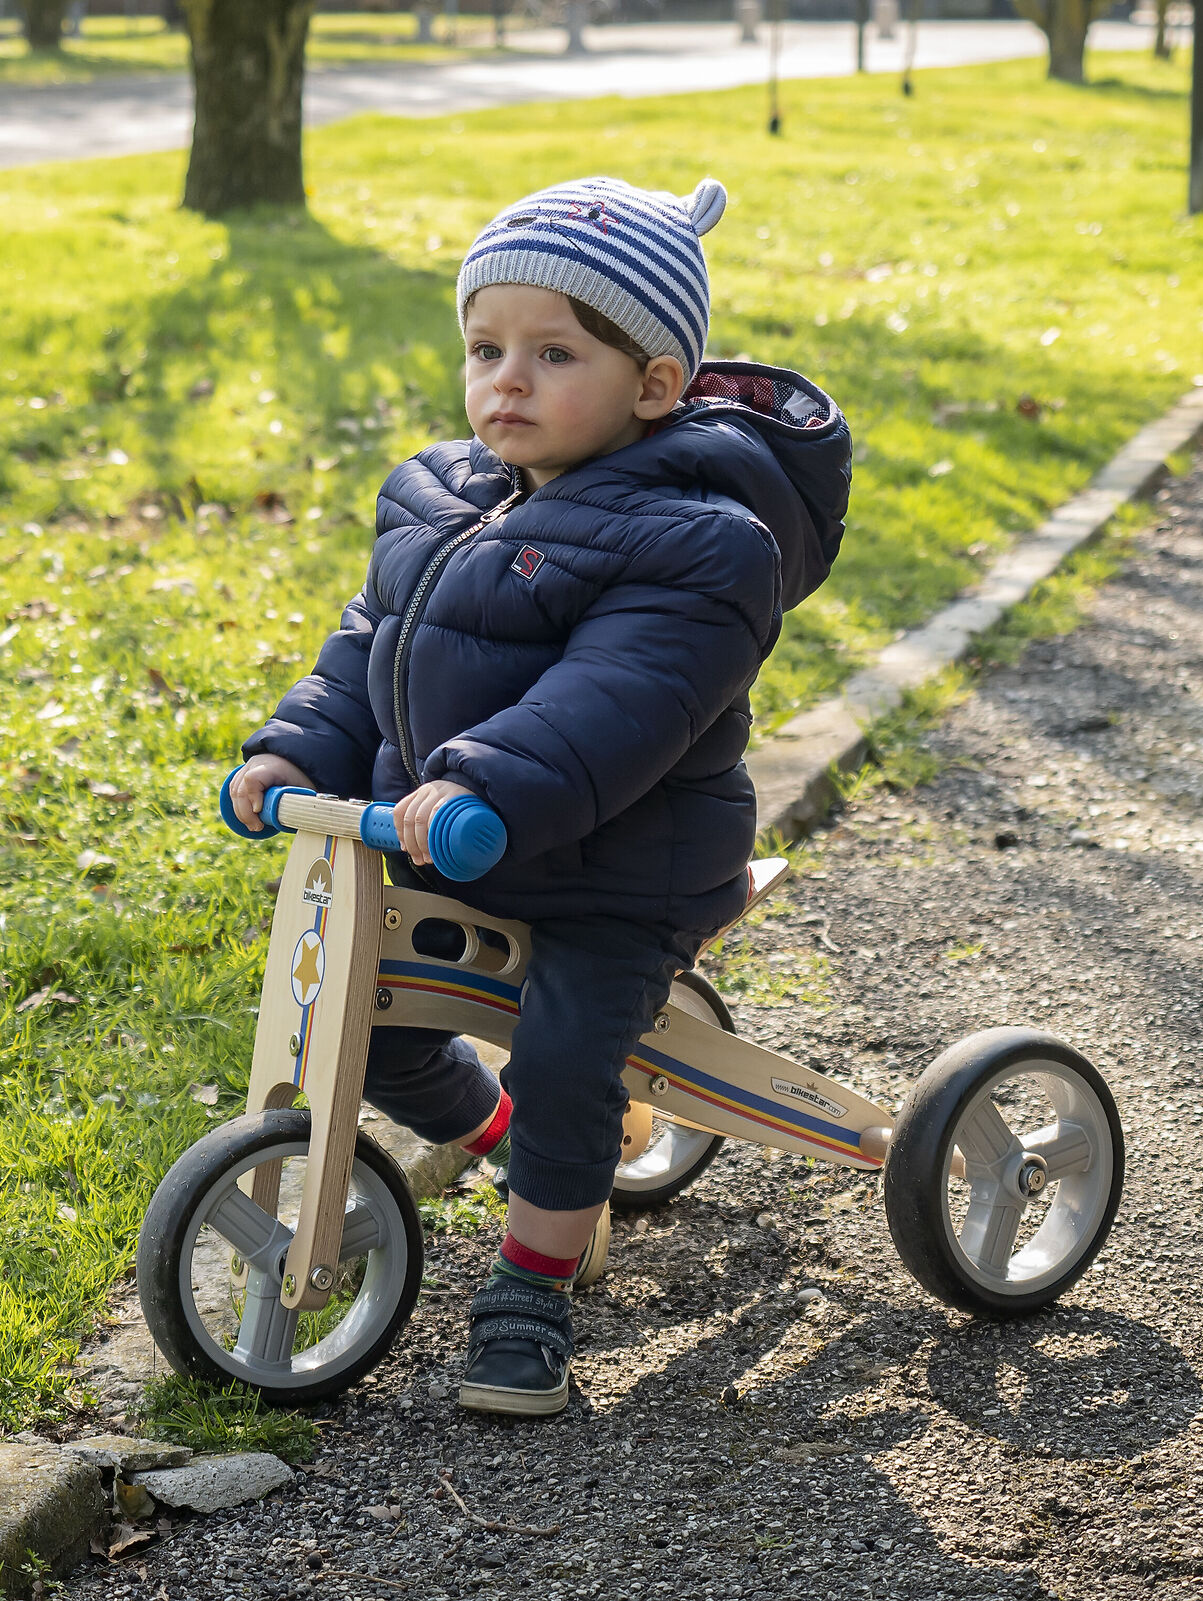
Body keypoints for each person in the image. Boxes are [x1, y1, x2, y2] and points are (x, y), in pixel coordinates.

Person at [230, 175, 850, 1417]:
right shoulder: (440, 497)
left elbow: (611, 704)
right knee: (370, 1022)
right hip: (460, 843)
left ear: (656, 385)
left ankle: (534, 1282)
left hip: (623, 869)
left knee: (573, 1052)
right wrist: (300, 751)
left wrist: (472, 784)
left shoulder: (704, 543)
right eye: (485, 347)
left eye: (554, 352)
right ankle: (509, 1137)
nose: (504, 380)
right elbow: (369, 650)